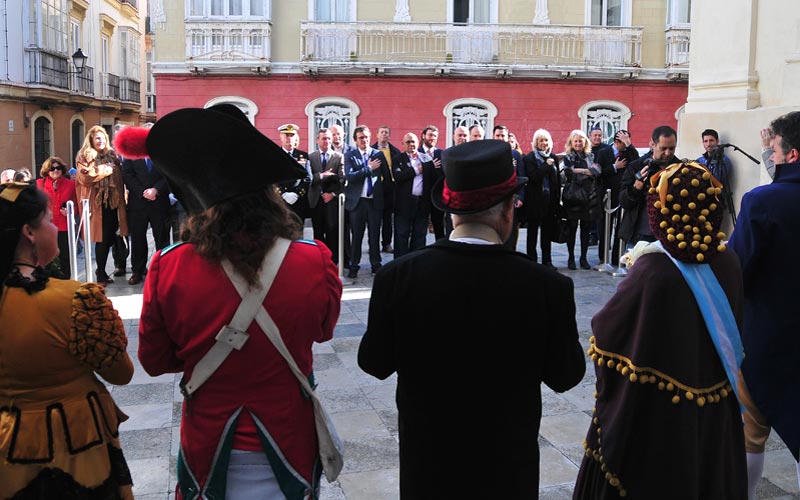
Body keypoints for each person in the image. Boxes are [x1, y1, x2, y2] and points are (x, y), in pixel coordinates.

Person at [130, 104, 343, 499]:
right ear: (270, 196)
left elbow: (156, 360)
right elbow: (323, 331)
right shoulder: (315, 260)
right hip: (291, 442)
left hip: (207, 444)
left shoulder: (168, 265)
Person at [358, 140, 585, 499]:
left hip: (429, 466)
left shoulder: (398, 277)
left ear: (450, 211)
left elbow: (374, 363)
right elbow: (566, 376)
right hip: (506, 468)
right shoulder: (547, 285)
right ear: (510, 211)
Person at [573, 161, 747, 500]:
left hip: (656, 412)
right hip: (714, 406)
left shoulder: (652, 270)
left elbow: (606, 331)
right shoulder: (728, 261)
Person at [0, 182, 134, 499]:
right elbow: (121, 373)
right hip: (76, 447)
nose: (54, 225)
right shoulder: (76, 300)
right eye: (48, 219)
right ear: (29, 233)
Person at [729, 110, 800, 500]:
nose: (768, 155)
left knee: (749, 434)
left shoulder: (761, 201)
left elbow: (739, 268)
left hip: (767, 336)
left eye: (772, 149)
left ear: (791, 155)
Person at [116, 124, 171, 286]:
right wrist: (144, 192)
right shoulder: (132, 154)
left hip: (159, 202)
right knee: (138, 239)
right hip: (138, 203)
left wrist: (155, 190)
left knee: (162, 238)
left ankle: (163, 270)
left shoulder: (164, 153)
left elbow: (169, 175)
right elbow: (127, 175)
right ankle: (137, 271)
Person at [75, 125, 129, 283]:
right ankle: (101, 272)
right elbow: (86, 177)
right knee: (102, 239)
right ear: (91, 140)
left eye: (103, 138)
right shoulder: (85, 156)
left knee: (113, 237)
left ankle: (112, 267)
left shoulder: (112, 156)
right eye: (97, 138)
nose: (101, 141)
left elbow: (121, 176)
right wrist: (105, 169)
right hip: (97, 205)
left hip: (114, 203)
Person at [344, 125, 392, 278]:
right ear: (355, 140)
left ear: (370, 137)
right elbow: (350, 176)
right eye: (360, 138)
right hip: (358, 202)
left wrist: (384, 198)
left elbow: (387, 179)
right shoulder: (350, 155)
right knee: (357, 235)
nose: (364, 140)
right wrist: (368, 168)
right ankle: (354, 265)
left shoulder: (378, 154)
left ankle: (375, 264)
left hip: (374, 202)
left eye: (366, 137)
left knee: (374, 235)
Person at [619, 125, 677, 250]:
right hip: (640, 234)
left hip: (671, 234)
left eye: (671, 148)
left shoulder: (680, 168)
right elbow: (623, 201)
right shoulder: (636, 166)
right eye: (663, 148)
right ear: (652, 144)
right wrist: (636, 187)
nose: (668, 153)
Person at [596, 130, 639, 265]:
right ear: (616, 142)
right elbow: (598, 172)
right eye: (624, 142)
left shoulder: (629, 153)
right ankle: (603, 257)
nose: (626, 146)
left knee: (621, 228)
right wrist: (615, 167)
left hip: (622, 197)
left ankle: (616, 257)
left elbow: (637, 162)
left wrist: (629, 144)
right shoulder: (604, 152)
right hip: (607, 197)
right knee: (605, 229)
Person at [561, 129, 600, 270]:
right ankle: (571, 258)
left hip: (589, 197)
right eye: (575, 141)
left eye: (580, 140)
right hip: (573, 198)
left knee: (586, 229)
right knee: (571, 229)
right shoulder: (568, 156)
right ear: (571, 142)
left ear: (585, 142)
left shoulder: (591, 155)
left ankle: (583, 258)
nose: (578, 143)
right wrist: (585, 171)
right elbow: (569, 172)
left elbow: (596, 171)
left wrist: (579, 171)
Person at [391, 132, 435, 258]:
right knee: (402, 234)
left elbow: (431, 180)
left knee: (420, 235)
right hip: (404, 203)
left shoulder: (426, 159)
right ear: (403, 144)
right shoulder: (398, 159)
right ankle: (400, 263)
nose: (411, 144)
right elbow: (398, 176)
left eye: (413, 142)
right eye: (408, 142)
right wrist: (417, 170)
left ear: (418, 143)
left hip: (422, 203)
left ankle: (416, 263)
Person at [308, 127, 346, 264]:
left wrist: (332, 194)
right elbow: (309, 178)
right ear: (318, 140)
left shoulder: (338, 157)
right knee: (317, 232)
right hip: (316, 200)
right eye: (324, 138)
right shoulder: (311, 157)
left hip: (331, 201)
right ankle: (318, 261)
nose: (327, 141)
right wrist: (322, 176)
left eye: (329, 138)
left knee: (332, 231)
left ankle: (332, 261)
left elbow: (342, 179)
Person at [523, 129, 560, 268]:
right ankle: (531, 260)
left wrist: (557, 201)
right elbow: (534, 177)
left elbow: (556, 182)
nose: (544, 143)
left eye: (546, 140)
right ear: (536, 143)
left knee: (547, 233)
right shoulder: (529, 158)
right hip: (535, 202)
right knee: (532, 232)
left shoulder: (554, 157)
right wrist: (546, 165)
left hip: (549, 201)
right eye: (541, 140)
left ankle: (547, 261)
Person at [36, 157, 77, 279]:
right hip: (46, 226)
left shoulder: (71, 185)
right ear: (47, 170)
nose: (55, 170)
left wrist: (70, 212)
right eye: (52, 168)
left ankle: (66, 280)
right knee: (46, 255)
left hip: (64, 226)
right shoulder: (39, 184)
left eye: (58, 168)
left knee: (65, 256)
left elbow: (76, 204)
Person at [696, 129, 734, 225]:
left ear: (717, 141)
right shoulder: (699, 161)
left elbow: (716, 181)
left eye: (711, 140)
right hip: (700, 202)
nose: (708, 144)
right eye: (706, 141)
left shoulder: (724, 161)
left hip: (716, 202)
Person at [372, 125, 400, 254]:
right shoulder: (370, 150)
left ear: (389, 136)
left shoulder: (395, 151)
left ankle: (387, 243)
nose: (384, 134)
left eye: (386, 133)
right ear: (377, 135)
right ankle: (373, 244)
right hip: (374, 187)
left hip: (390, 187)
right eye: (382, 132)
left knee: (388, 218)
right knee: (374, 218)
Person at [275, 123, 311, 221]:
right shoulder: (275, 155)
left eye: (292, 135)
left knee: (298, 232)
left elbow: (308, 178)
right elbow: (272, 178)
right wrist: (282, 193)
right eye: (286, 135)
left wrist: (297, 194)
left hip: (298, 201)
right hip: (280, 201)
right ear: (281, 137)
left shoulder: (303, 156)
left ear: (296, 138)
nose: (289, 138)